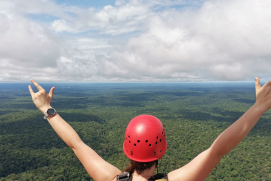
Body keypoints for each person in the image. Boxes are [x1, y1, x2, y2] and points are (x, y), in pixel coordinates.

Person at [28, 77, 271, 181]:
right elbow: (218, 149)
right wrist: (259, 107)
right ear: (161, 149)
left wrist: (47, 110)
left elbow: (76, 144)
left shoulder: (110, 178)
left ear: (127, 148)